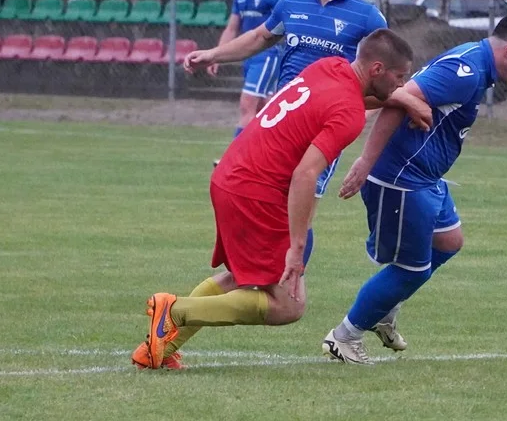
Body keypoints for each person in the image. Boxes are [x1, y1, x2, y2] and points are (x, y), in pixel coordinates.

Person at [131, 30, 417, 370]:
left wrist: (402, 99)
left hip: (232, 175)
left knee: (241, 276)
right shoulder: (348, 115)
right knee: (288, 305)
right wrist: (296, 249)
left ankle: (156, 349)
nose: (404, 84)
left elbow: (356, 100)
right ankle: (174, 311)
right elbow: (304, 175)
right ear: (377, 70)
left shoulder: (330, 67)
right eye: (400, 78)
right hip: (255, 190)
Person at [323, 13, 507, 364]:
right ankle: (345, 336)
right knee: (412, 268)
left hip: (427, 177)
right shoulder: (466, 71)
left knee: (449, 242)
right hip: (402, 177)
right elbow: (396, 100)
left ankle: (384, 309)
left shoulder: (476, 66)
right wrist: (365, 163)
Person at [184, 0, 390, 257]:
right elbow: (257, 38)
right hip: (281, 126)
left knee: (299, 218)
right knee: (263, 209)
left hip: (323, 129)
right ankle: (255, 284)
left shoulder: (367, 17)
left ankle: (287, 291)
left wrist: (380, 106)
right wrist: (212, 54)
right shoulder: (291, 3)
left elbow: (390, 75)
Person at [213, 0, 287, 153]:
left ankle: (233, 158)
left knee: (247, 104)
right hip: (249, 58)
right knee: (266, 108)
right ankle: (270, 155)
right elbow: (231, 28)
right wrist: (216, 55)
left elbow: (290, 22)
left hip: (268, 55)